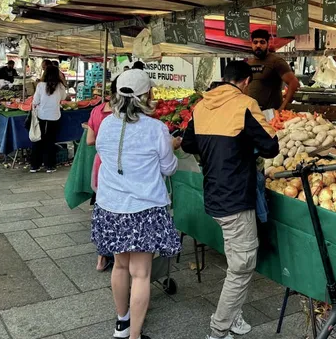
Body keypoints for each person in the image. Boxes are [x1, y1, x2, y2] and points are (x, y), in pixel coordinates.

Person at [182, 61, 279, 339]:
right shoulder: (245, 104)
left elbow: (188, 144)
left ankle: (233, 315)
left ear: (224, 78)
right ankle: (219, 329)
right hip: (235, 197)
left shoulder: (202, 105)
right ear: (246, 81)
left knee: (235, 257)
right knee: (242, 266)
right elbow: (271, 146)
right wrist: (246, 143)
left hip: (213, 193)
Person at [92, 69, 181, 339]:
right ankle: (135, 336)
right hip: (144, 208)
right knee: (141, 274)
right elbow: (169, 168)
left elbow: (104, 154)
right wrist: (171, 146)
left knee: (120, 266)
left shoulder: (106, 124)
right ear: (147, 95)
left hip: (111, 205)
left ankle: (122, 323)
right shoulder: (156, 129)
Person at [86, 77, 118, 272]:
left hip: (101, 165)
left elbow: (90, 140)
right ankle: (118, 254)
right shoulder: (123, 115)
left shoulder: (97, 111)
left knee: (103, 211)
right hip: (118, 168)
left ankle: (101, 257)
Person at [246, 29, 299, 112]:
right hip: (251, 111)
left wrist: (283, 107)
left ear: (268, 43)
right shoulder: (249, 63)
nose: (258, 45)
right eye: (255, 42)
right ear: (251, 44)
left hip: (271, 113)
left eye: (262, 42)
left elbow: (294, 83)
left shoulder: (276, 61)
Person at [30, 66, 67, 173]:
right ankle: (50, 166)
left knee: (38, 139)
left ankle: (35, 166)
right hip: (54, 116)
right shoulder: (60, 86)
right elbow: (63, 98)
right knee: (50, 141)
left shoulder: (40, 85)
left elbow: (35, 101)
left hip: (41, 115)